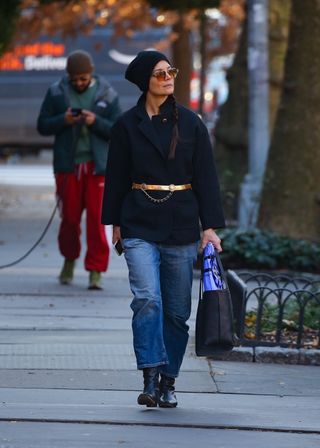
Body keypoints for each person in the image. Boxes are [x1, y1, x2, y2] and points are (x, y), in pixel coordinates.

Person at [101, 50, 225, 407]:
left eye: (170, 70)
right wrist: (116, 223)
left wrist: (211, 227)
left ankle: (169, 380)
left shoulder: (191, 123)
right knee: (147, 299)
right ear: (145, 81)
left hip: (182, 223)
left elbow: (207, 178)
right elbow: (117, 177)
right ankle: (150, 375)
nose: (168, 77)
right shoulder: (126, 125)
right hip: (139, 219)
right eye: (159, 73)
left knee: (176, 312)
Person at [37, 49, 121, 290]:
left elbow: (118, 130)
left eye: (83, 78)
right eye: (75, 79)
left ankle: (96, 270)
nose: (79, 83)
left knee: (97, 220)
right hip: (67, 165)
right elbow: (42, 125)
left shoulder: (107, 93)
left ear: (91, 74)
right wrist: (63, 120)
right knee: (70, 218)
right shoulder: (56, 92)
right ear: (68, 77)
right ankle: (69, 259)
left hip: (98, 166)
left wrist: (96, 122)